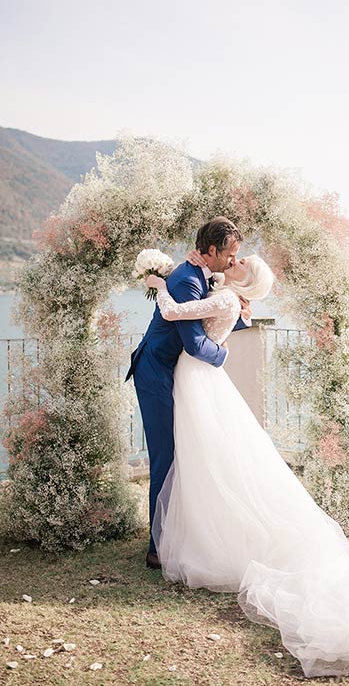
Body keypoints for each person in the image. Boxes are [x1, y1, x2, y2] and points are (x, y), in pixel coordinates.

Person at [145, 255, 349, 678]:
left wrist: (157, 283)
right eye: (234, 255)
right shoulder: (223, 293)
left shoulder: (227, 297)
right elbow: (207, 315)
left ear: (245, 279)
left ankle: (199, 539)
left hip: (198, 377)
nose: (236, 260)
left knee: (208, 458)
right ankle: (197, 530)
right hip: (195, 380)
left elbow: (181, 320)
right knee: (208, 459)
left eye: (241, 261)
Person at [125, 217, 251, 569]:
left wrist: (238, 318)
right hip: (156, 373)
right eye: (230, 254)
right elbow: (195, 343)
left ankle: (177, 533)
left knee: (184, 453)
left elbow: (210, 314)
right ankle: (157, 547)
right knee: (166, 457)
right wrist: (223, 354)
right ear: (211, 250)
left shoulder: (200, 275)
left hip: (172, 372)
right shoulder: (184, 280)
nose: (231, 261)